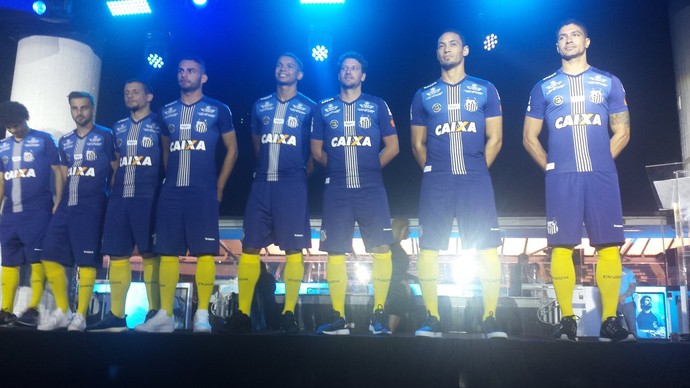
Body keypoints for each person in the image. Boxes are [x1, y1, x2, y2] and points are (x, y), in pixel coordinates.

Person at [522, 19, 634, 342]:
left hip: (601, 176)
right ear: (556, 46)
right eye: (562, 37)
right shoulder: (543, 87)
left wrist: (598, 159)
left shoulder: (609, 82)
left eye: (575, 35)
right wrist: (553, 168)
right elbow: (529, 137)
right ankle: (568, 319)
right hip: (562, 178)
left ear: (587, 42)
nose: (568, 41)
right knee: (561, 246)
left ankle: (610, 320)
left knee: (609, 245)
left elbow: (623, 130)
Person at [410, 29, 506, 338]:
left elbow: (495, 138)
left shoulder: (485, 89)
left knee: (486, 246)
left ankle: (490, 317)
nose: (447, 49)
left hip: (475, 177)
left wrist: (474, 169)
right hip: (437, 178)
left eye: (453, 44)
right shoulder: (423, 94)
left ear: (465, 50)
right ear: (437, 54)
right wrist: (438, 170)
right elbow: (417, 145)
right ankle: (432, 317)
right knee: (429, 245)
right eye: (441, 46)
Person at [135, 56, 238, 333]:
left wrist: (220, 185)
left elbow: (233, 149)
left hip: (203, 191)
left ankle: (202, 314)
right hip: (172, 191)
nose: (184, 75)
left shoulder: (218, 109)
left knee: (205, 252)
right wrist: (170, 181)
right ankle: (165, 315)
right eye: (181, 70)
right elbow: (166, 150)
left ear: (203, 77)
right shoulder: (166, 111)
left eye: (191, 71)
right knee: (167, 251)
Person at [311, 51, 399, 335]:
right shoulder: (323, 108)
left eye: (355, 68)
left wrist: (370, 168)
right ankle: (338, 318)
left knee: (382, 248)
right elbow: (316, 151)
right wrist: (339, 169)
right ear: (339, 74)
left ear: (363, 75)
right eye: (345, 68)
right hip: (336, 188)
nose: (349, 72)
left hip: (371, 187)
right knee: (335, 249)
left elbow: (393, 146)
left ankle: (379, 314)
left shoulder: (377, 105)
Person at [229, 53, 315, 334]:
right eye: (279, 64)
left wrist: (300, 175)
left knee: (293, 249)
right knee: (250, 246)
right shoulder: (260, 105)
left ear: (299, 74)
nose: (283, 69)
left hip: (292, 185)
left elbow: (315, 151)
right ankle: (242, 312)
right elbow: (257, 145)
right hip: (263, 182)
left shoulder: (310, 108)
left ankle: (289, 312)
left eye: (290, 66)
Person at [87, 80, 165, 332]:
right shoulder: (117, 127)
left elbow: (168, 159)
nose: (130, 96)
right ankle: (117, 314)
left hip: (148, 197)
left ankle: (155, 311)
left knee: (150, 254)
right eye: (126, 92)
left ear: (149, 96)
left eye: (136, 92)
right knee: (118, 254)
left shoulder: (159, 123)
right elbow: (116, 162)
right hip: (120, 198)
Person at [38, 92, 117, 331]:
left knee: (86, 262)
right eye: (74, 108)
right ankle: (64, 309)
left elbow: (116, 169)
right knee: (49, 255)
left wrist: (111, 200)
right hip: (65, 207)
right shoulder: (66, 140)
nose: (79, 113)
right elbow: (62, 173)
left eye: (83, 108)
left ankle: (80, 315)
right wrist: (58, 200)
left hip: (92, 206)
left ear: (92, 109)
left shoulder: (106, 135)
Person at [0, 101, 62, 326]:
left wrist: (59, 201)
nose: (13, 129)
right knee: (8, 262)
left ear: (25, 118)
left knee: (37, 259)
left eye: (16, 124)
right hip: (10, 214)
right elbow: (1, 180)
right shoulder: (2, 146)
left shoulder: (44, 140)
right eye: (9, 126)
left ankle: (33, 307)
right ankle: (5, 309)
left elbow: (58, 171)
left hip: (37, 211)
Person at [386, 218, 416, 334]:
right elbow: (392, 271)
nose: (409, 232)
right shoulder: (395, 249)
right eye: (407, 229)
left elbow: (396, 270)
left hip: (396, 292)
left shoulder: (392, 247)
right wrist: (403, 282)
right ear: (402, 229)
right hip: (396, 293)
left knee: (392, 329)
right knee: (391, 329)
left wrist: (410, 279)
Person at [617, 266, 637, 335]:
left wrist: (624, 296)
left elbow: (633, 286)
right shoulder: (609, 272)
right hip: (614, 304)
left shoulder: (628, 271)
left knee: (632, 327)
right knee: (615, 328)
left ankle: (634, 344)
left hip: (628, 303)